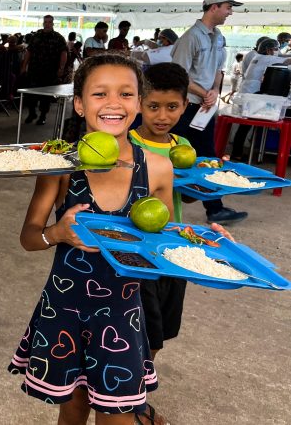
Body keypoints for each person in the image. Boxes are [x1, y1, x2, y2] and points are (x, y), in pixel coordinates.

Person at [9, 54, 176, 424]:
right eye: (100, 94)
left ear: (138, 104)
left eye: (126, 94)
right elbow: (29, 238)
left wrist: (202, 240)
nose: (114, 103)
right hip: (65, 309)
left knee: (117, 416)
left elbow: (162, 241)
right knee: (72, 411)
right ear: (80, 104)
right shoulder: (61, 164)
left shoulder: (158, 167)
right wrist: (57, 233)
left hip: (122, 311)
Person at [127, 62, 192, 425]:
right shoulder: (127, 145)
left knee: (160, 333)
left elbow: (191, 193)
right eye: (153, 106)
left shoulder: (182, 145)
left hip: (173, 251)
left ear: (184, 106)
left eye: (172, 107)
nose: (163, 116)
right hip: (140, 255)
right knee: (140, 329)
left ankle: (136, 392)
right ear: (139, 104)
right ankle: (133, 403)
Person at [170, 0, 247, 225]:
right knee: (178, 153)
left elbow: (217, 70)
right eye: (227, 7)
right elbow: (178, 75)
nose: (230, 13)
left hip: (205, 106)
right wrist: (205, 94)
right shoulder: (191, 37)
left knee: (205, 155)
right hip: (188, 106)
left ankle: (211, 206)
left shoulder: (218, 36)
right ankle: (208, 205)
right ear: (214, 7)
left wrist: (214, 92)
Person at [230, 39, 291, 161]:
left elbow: (282, 56)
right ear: (268, 50)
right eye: (275, 49)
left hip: (246, 93)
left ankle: (238, 152)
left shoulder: (257, 56)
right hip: (252, 96)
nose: (277, 51)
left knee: (244, 126)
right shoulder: (267, 59)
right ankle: (237, 154)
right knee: (245, 126)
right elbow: (287, 60)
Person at [20, 14, 67, 125]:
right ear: (43, 23)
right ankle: (32, 113)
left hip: (50, 72)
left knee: (45, 97)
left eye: (49, 22)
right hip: (34, 70)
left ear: (53, 23)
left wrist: (61, 68)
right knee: (30, 94)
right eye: (45, 22)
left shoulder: (58, 37)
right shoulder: (36, 36)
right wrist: (23, 66)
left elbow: (63, 53)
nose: (47, 24)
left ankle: (43, 116)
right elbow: (29, 52)